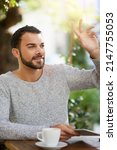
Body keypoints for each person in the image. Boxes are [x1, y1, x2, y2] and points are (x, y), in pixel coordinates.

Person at [0, 20, 100, 141]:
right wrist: (48, 131)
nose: (40, 51)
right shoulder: (4, 83)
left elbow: (100, 80)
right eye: (31, 46)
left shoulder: (60, 73)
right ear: (16, 52)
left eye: (41, 45)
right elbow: (2, 127)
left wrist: (95, 52)